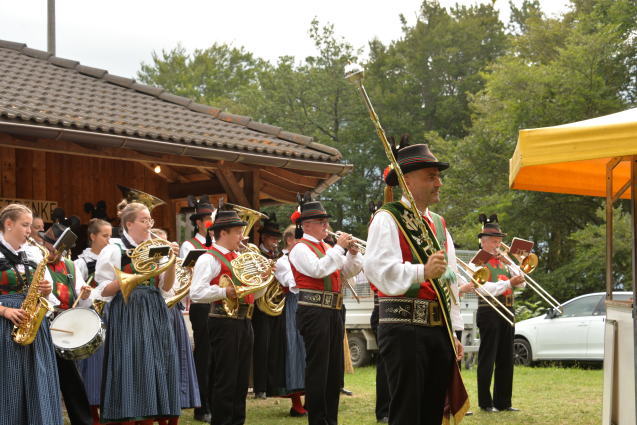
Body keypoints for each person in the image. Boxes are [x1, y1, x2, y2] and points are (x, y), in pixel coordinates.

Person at [364, 140, 468, 425]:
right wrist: (422, 271)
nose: (439, 183)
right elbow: (377, 270)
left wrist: (454, 330)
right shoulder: (388, 218)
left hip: (438, 331)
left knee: (433, 410)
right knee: (407, 412)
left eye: (438, 176)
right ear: (407, 181)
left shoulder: (438, 223)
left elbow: (451, 281)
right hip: (404, 329)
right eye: (431, 176)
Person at [94, 199, 180, 425]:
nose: (149, 225)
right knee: (131, 363)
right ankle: (129, 415)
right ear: (129, 224)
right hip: (128, 308)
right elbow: (101, 289)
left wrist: (171, 262)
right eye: (144, 220)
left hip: (154, 308)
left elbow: (167, 287)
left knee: (157, 362)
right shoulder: (114, 249)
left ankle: (154, 413)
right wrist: (130, 280)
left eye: (150, 220)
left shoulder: (156, 246)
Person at [189, 209, 268, 425]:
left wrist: (262, 280)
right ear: (222, 233)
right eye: (237, 232)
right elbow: (196, 293)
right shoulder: (208, 259)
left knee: (241, 382)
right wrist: (224, 292)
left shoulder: (239, 257)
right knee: (226, 380)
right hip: (223, 321)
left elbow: (254, 293)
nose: (241, 237)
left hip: (244, 321)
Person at [288, 197, 363, 425]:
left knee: (334, 370)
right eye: (320, 221)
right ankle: (318, 420)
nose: (325, 225)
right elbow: (318, 270)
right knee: (319, 368)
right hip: (314, 310)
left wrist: (351, 254)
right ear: (306, 225)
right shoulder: (300, 248)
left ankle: (331, 420)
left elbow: (347, 273)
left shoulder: (328, 247)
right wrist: (339, 248)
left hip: (333, 310)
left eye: (325, 221)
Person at [0, 203, 63, 425]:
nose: (30, 231)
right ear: (8, 224)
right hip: (4, 326)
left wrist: (46, 289)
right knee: (9, 383)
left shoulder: (34, 252)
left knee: (39, 380)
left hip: (32, 324)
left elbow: (49, 293)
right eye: (25, 225)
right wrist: (5, 310)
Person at [40, 222, 94, 425]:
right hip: (43, 324)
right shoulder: (36, 262)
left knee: (72, 381)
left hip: (65, 327)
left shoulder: (71, 267)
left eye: (54, 248)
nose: (50, 251)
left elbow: (83, 300)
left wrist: (87, 295)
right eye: (47, 245)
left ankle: (83, 421)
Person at [474, 215, 524, 413]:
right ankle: (485, 403)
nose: (498, 245)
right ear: (483, 241)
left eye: (499, 241)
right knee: (488, 357)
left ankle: (503, 402)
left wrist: (512, 262)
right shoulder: (478, 261)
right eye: (494, 241)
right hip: (489, 310)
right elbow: (483, 288)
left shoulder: (504, 260)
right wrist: (508, 283)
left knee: (505, 357)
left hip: (507, 308)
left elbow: (523, 281)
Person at [152, 228, 201, 415]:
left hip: (174, 313)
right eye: (161, 243)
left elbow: (188, 291)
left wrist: (191, 271)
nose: (166, 246)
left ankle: (178, 402)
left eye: (167, 242)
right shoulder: (153, 263)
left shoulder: (178, 263)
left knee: (177, 358)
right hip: (158, 310)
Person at [179, 197, 215, 423]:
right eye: (209, 219)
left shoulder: (219, 245)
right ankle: (202, 406)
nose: (212, 223)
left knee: (218, 356)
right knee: (204, 355)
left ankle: (216, 402)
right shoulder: (189, 245)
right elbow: (187, 276)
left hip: (220, 302)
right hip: (201, 305)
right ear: (200, 223)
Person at [75, 218, 113, 425]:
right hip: (92, 318)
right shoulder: (81, 263)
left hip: (113, 315)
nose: (109, 240)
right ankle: (93, 414)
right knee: (92, 368)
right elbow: (78, 297)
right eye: (105, 236)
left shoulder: (114, 259)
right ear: (92, 237)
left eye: (111, 236)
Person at [273, 223, 307, 417]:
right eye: (299, 238)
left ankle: (311, 399)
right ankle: (296, 403)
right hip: (294, 304)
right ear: (289, 240)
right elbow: (290, 282)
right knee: (295, 350)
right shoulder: (282, 261)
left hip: (308, 301)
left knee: (309, 350)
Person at [252, 216, 283, 400]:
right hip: (260, 306)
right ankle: (260, 387)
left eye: (277, 239)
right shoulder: (257, 256)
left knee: (275, 346)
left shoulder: (279, 256)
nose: (275, 242)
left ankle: (273, 386)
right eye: (272, 238)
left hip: (277, 304)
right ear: (263, 237)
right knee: (261, 347)